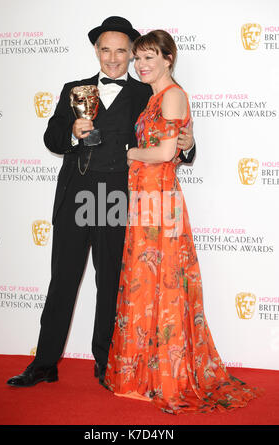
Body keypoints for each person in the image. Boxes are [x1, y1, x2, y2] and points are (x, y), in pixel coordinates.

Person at [6, 17, 195, 388]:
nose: (113, 58)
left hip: (119, 199)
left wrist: (188, 147)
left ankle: (106, 363)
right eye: (106, 50)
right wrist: (73, 134)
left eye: (122, 50)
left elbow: (170, 137)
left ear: (132, 53)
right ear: (96, 51)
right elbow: (51, 137)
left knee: (110, 283)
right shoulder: (72, 89)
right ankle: (44, 363)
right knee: (63, 279)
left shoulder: (147, 93)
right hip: (76, 195)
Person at [104, 30, 262, 414]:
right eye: (138, 58)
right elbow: (172, 147)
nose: (141, 65)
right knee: (148, 283)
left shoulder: (172, 95)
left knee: (163, 282)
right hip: (147, 201)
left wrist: (128, 153)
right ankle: (147, 373)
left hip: (159, 200)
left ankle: (166, 375)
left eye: (149, 57)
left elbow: (163, 151)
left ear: (169, 58)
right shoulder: (155, 97)